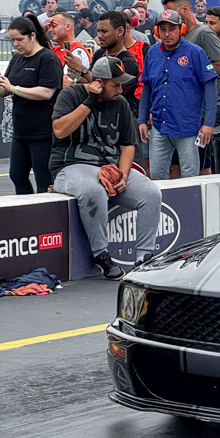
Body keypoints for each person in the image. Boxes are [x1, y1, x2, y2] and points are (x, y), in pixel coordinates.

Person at [51, 57, 161, 279]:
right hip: (71, 165)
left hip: (110, 166)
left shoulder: (120, 103)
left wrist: (123, 175)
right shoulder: (71, 95)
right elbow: (59, 130)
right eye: (115, 84)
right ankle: (100, 254)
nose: (120, 89)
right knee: (94, 190)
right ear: (99, 82)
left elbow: (128, 144)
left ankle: (144, 256)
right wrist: (90, 100)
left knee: (151, 193)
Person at [138, 10, 217, 179]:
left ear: (181, 29)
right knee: (157, 176)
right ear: (157, 31)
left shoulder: (195, 52)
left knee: (190, 177)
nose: (167, 34)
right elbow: (147, 87)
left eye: (172, 29)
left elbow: (210, 87)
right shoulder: (152, 52)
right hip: (159, 125)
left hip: (188, 126)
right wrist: (142, 120)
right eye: (163, 29)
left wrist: (208, 123)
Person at [0, 14, 61, 194]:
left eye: (19, 39)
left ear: (32, 36)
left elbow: (47, 92)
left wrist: (14, 88)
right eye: (13, 40)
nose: (16, 44)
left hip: (42, 130)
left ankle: (46, 209)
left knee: (44, 179)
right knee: (17, 175)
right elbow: (4, 92)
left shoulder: (47, 58)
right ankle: (27, 206)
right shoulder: (17, 59)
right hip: (21, 130)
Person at [77, 11, 141, 118]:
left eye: (104, 31)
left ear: (120, 31)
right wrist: (76, 74)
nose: (99, 36)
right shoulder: (99, 53)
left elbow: (107, 92)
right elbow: (90, 82)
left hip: (120, 117)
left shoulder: (128, 62)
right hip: (98, 116)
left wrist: (82, 69)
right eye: (98, 31)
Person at [161, 0, 220, 76]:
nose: (169, 17)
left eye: (172, 13)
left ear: (185, 10)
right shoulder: (180, 35)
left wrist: (193, 66)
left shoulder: (204, 33)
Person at [45, 12, 91, 88]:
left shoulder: (77, 51)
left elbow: (66, 83)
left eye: (54, 26)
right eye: (49, 26)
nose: (49, 30)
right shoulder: (54, 50)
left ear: (67, 26)